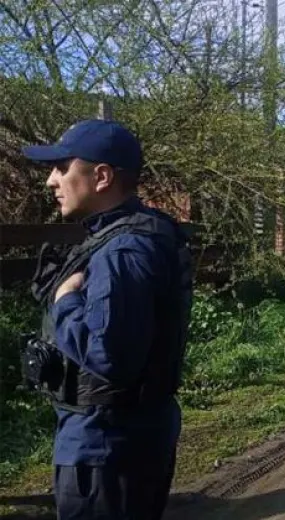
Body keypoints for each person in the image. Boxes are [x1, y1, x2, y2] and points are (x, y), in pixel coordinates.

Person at [20, 119, 193, 519]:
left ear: (100, 177)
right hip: (127, 439)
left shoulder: (122, 251)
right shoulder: (139, 233)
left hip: (105, 447)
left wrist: (65, 303)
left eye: (62, 167)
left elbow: (110, 356)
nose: (51, 180)